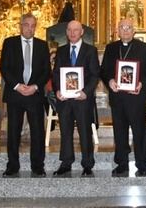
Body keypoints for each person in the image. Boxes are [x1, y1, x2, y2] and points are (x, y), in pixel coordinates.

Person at [101, 19, 146, 177]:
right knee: (119, 132)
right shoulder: (111, 48)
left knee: (139, 131)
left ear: (134, 31)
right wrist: (110, 80)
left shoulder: (143, 48)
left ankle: (141, 164)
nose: (125, 30)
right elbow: (104, 70)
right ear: (117, 30)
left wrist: (141, 84)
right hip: (117, 97)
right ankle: (122, 164)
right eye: (122, 27)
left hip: (136, 97)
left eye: (128, 28)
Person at [0, 14, 50, 178]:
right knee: (13, 131)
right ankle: (12, 166)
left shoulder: (42, 45)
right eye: (27, 25)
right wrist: (17, 86)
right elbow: (4, 67)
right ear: (20, 25)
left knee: (37, 132)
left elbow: (46, 70)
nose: (30, 28)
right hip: (15, 93)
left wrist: (35, 87)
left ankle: (38, 166)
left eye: (33, 25)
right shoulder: (10, 43)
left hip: (34, 94)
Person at [52, 20, 100, 177]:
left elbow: (95, 74)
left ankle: (87, 164)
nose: (73, 33)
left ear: (82, 32)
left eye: (76, 30)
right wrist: (58, 90)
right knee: (65, 131)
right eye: (70, 30)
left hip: (82, 99)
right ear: (66, 32)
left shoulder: (90, 51)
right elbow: (56, 74)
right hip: (65, 99)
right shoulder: (61, 51)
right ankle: (66, 163)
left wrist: (86, 91)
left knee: (85, 132)